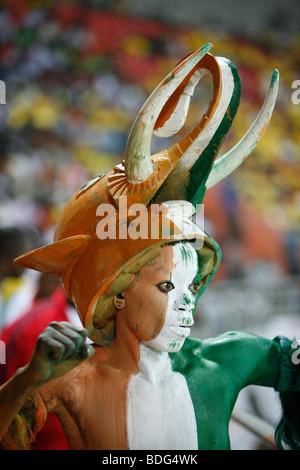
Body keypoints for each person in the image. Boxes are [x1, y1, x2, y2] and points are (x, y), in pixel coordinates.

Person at [1, 45, 295, 451]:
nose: (188, 305)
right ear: (117, 293)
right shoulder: (69, 376)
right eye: (167, 286)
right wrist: (27, 379)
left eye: (191, 287)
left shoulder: (226, 359)